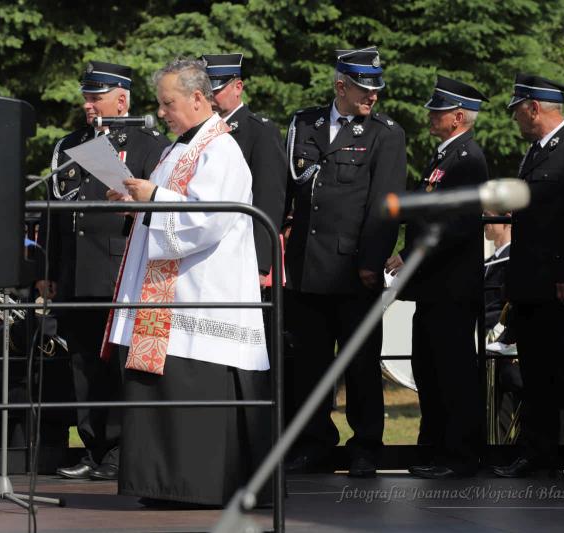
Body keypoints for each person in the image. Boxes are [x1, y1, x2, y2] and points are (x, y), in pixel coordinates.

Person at [104, 58, 269, 507]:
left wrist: (153, 197)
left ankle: (199, 486)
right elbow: (167, 204)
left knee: (193, 391)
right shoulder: (180, 148)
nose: (161, 113)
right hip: (168, 298)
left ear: (198, 98)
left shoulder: (221, 150)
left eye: (168, 103)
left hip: (201, 296)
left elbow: (208, 220)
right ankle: (164, 484)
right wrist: (134, 198)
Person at [37, 60, 169, 481]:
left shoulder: (149, 144)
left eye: (97, 97)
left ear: (122, 99)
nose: (88, 105)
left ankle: (120, 450)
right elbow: (54, 213)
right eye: (86, 97)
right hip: (75, 271)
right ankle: (94, 446)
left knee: (117, 365)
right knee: (82, 364)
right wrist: (47, 268)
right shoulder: (70, 145)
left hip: (118, 271)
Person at [283, 46, 406, 477]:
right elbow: (289, 191)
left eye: (376, 89)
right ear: (341, 86)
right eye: (363, 88)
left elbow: (385, 204)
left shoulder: (385, 134)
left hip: (353, 269)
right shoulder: (305, 124)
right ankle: (314, 443)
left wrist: (371, 261)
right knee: (309, 364)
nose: (373, 96)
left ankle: (366, 446)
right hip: (306, 267)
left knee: (360, 364)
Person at [493, 74, 564, 480]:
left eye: (517, 111)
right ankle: (537, 451)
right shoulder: (537, 152)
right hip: (532, 286)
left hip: (561, 287)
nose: (515, 119)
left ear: (533, 108)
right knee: (536, 376)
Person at [385, 76, 489, 479]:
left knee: (453, 374)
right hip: (433, 287)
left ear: (458, 117)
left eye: (439, 111)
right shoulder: (444, 157)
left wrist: (411, 254)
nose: (431, 116)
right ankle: (435, 448)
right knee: (429, 370)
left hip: (452, 287)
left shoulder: (468, 160)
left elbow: (456, 224)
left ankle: (459, 456)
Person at [201, 53, 287, 280]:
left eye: (215, 90)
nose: (209, 98)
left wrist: (261, 264)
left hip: (241, 251)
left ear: (238, 87)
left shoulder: (259, 131)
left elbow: (268, 199)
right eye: (204, 91)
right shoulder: (200, 131)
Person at [483, 212, 512, 333]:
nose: (484, 220)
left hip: (499, 337)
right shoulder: (488, 262)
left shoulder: (512, 260)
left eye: (488, 215)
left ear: (507, 219)